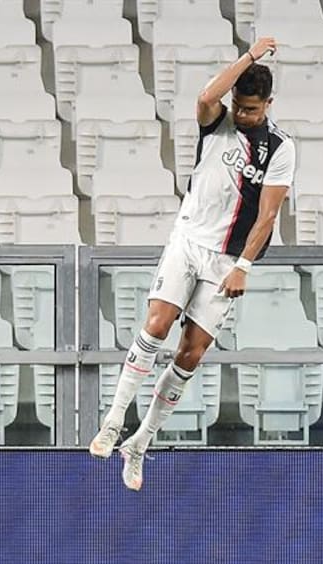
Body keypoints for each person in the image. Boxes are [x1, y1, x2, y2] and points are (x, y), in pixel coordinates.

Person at [88, 38, 294, 491]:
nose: (243, 115)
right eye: (239, 106)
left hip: (227, 259)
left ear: (269, 104)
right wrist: (249, 56)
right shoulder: (217, 122)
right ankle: (114, 420)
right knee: (157, 324)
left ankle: (140, 442)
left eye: (252, 110)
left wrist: (243, 266)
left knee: (191, 352)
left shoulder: (280, 148)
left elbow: (268, 216)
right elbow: (205, 96)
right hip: (188, 240)